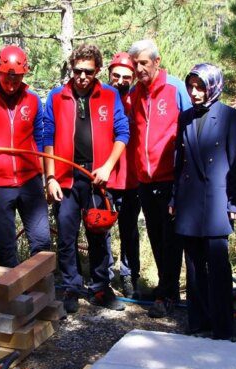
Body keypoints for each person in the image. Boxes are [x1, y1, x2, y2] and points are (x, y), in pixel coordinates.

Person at [44, 44, 130, 313]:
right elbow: (46, 138)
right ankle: (71, 286)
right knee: (67, 235)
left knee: (98, 232)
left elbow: (122, 133)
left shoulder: (110, 95)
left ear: (98, 71)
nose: (82, 76)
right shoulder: (57, 97)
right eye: (77, 70)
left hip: (96, 177)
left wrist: (107, 167)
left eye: (88, 72)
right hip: (65, 176)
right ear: (71, 67)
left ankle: (101, 287)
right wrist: (50, 178)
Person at [171, 63, 236, 340]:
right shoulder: (185, 117)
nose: (194, 92)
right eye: (191, 86)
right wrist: (174, 196)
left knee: (217, 264)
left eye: (200, 86)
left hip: (216, 199)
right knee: (192, 265)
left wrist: (235, 202)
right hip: (189, 201)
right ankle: (198, 321)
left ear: (212, 86)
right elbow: (179, 162)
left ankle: (222, 325)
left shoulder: (229, 117)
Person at [0, 45, 50, 268]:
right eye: (8, 78)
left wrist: (43, 176)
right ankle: (13, 299)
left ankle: (41, 296)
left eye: (17, 78)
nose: (12, 84)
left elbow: (40, 138)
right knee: (6, 248)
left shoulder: (32, 100)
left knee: (42, 243)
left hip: (30, 181)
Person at [127, 39, 192, 318]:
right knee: (155, 235)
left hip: (170, 178)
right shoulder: (135, 93)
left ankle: (167, 294)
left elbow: (191, 129)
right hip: (146, 178)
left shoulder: (175, 88)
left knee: (171, 238)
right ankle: (167, 289)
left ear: (156, 61)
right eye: (136, 63)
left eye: (144, 62)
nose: (139, 68)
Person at [106, 51, 141, 298]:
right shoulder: (101, 99)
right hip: (105, 178)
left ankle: (129, 275)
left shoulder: (138, 99)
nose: (120, 80)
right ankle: (105, 276)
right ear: (108, 74)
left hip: (131, 179)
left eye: (126, 76)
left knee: (129, 230)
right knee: (102, 230)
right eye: (116, 75)